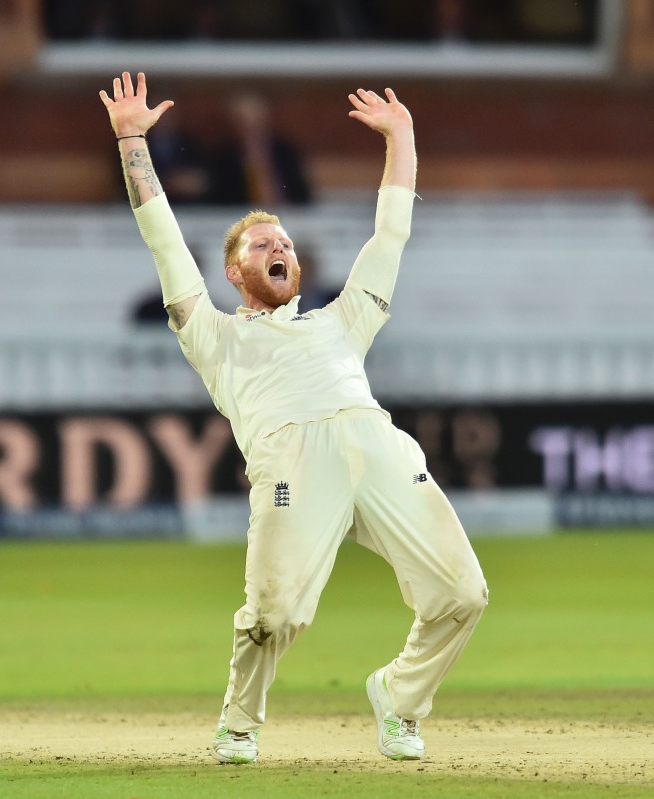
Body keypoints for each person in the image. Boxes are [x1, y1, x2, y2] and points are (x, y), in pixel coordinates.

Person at [99, 72, 488, 764]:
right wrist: (133, 140)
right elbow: (164, 242)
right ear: (231, 274)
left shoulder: (346, 320)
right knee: (274, 614)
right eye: (260, 245)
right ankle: (239, 724)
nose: (279, 249)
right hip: (292, 463)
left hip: (377, 443)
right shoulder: (214, 336)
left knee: (464, 592)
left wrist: (403, 138)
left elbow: (391, 235)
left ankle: (399, 698)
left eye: (285, 243)